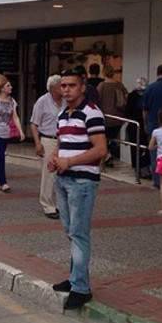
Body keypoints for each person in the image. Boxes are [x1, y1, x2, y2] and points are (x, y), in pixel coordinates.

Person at [49, 68, 108, 310]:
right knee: (71, 232)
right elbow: (62, 142)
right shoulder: (63, 113)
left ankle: (82, 289)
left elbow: (101, 150)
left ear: (82, 87)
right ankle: (75, 278)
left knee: (79, 234)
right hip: (63, 179)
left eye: (71, 85)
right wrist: (56, 156)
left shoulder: (91, 113)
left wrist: (69, 162)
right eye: (63, 86)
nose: (66, 90)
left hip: (82, 182)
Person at [30, 74, 62, 219]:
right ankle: (47, 205)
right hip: (48, 139)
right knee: (49, 174)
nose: (64, 88)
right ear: (53, 88)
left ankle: (60, 204)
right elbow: (34, 123)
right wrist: (37, 143)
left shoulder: (66, 101)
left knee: (62, 174)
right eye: (61, 85)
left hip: (64, 140)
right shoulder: (42, 101)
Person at [97, 67, 128, 167]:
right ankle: (109, 156)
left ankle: (105, 159)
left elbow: (97, 101)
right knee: (113, 138)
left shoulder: (101, 86)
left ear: (103, 73)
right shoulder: (119, 85)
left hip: (105, 118)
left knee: (104, 139)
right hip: (118, 117)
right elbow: (126, 97)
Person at [125, 77, 150, 178]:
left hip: (135, 124)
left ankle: (139, 168)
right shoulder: (146, 95)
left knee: (136, 147)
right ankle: (142, 168)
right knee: (142, 146)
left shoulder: (132, 96)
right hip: (141, 124)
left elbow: (127, 111)